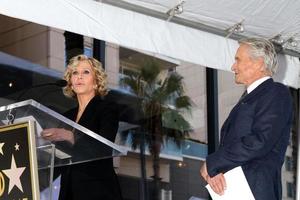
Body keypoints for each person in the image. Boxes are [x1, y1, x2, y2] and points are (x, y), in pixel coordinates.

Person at [200, 38, 293, 200]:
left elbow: (259, 141)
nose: (233, 67)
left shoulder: (276, 93)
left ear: (259, 63)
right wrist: (217, 172)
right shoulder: (250, 98)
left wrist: (214, 163)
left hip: (255, 192)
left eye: (238, 60)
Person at [42, 55, 123, 200]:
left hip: (98, 191)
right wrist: (41, 143)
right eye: (75, 73)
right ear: (70, 83)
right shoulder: (66, 116)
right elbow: (59, 159)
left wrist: (71, 136)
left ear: (96, 81)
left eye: (85, 72)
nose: (79, 77)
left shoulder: (107, 109)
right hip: (68, 191)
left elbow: (103, 149)